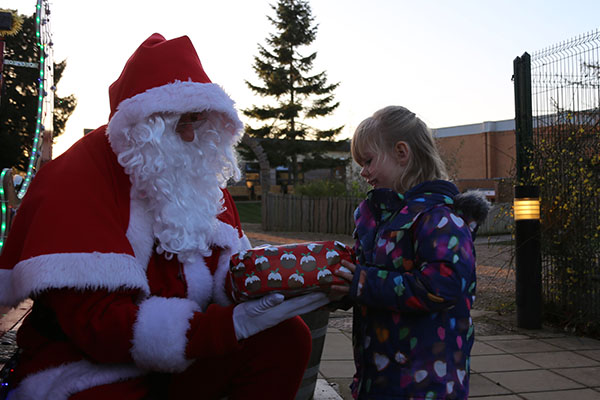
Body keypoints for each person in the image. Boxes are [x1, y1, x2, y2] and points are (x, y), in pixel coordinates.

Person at [0, 33, 328, 400]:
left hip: (187, 353)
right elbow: (99, 327)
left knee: (286, 338)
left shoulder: (198, 178)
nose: (190, 134)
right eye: (179, 121)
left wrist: (291, 279)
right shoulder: (78, 175)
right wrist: (228, 326)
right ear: (144, 122)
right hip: (84, 365)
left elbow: (229, 272)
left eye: (198, 119)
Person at [331, 106, 490, 399]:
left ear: (401, 153)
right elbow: (368, 275)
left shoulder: (440, 218)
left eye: (368, 161)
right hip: (379, 375)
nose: (363, 172)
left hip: (426, 381)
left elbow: (440, 287)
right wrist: (341, 288)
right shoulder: (377, 216)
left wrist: (363, 282)